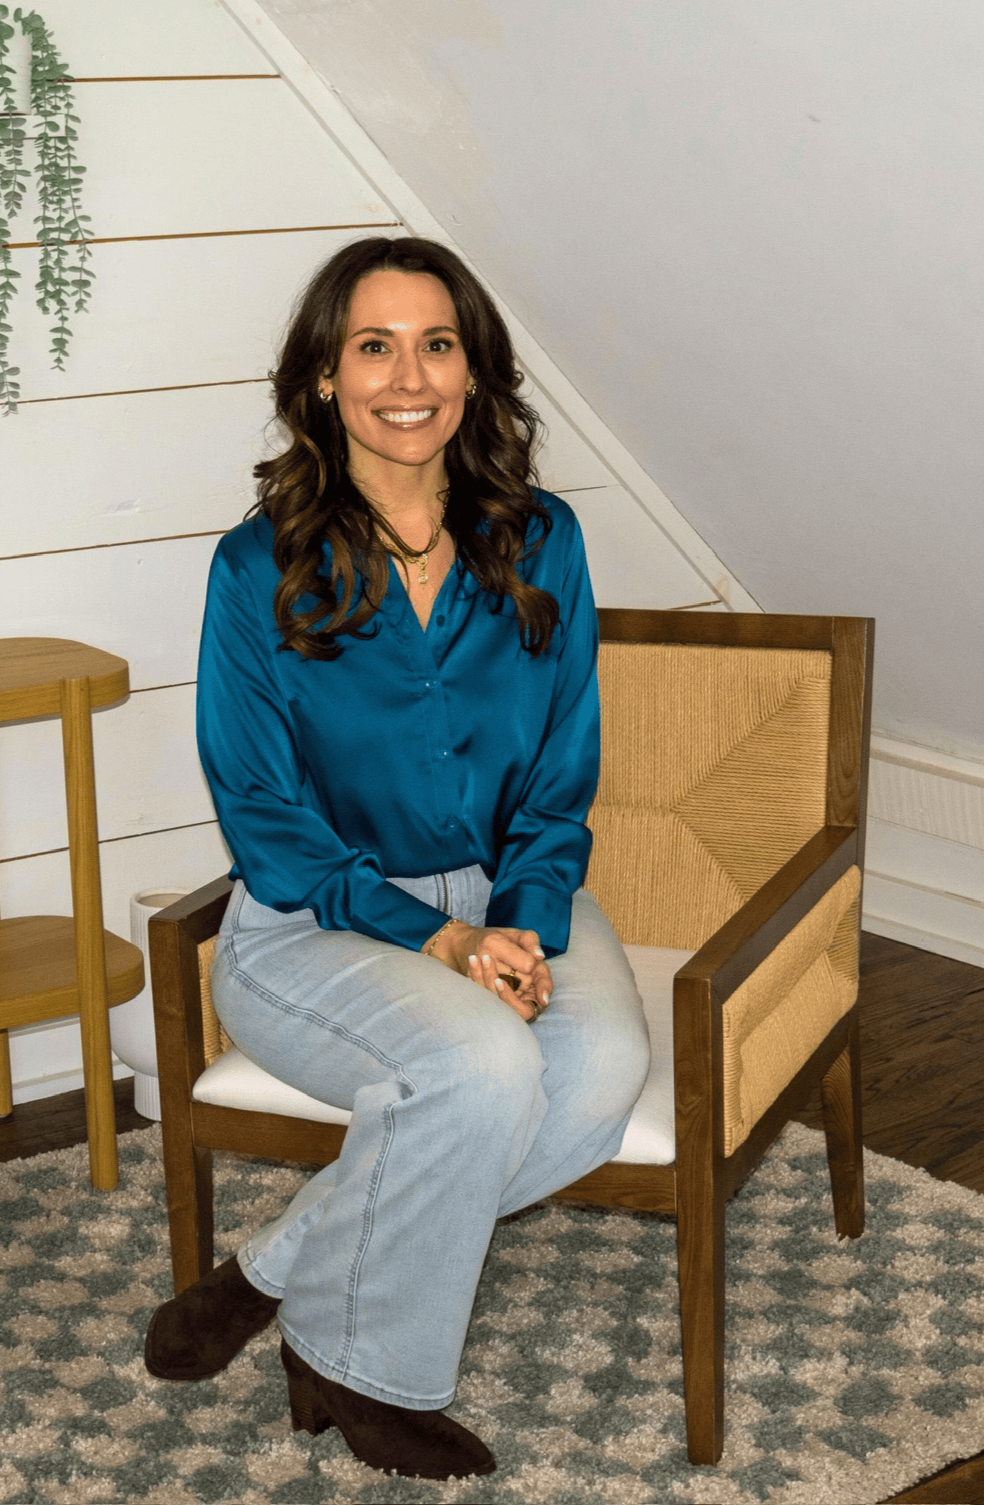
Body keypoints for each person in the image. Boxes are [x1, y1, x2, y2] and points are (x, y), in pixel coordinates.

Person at [144, 236, 650, 1481]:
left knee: (597, 1069)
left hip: (511, 896)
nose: (407, 375)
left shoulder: (547, 544)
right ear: (324, 375)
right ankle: (373, 1378)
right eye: (374, 345)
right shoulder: (256, 565)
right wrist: (439, 937)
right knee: (482, 1067)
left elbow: (559, 776)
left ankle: (277, 1277)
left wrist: (519, 919)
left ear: (476, 375)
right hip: (314, 927)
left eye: (438, 344)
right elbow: (261, 814)